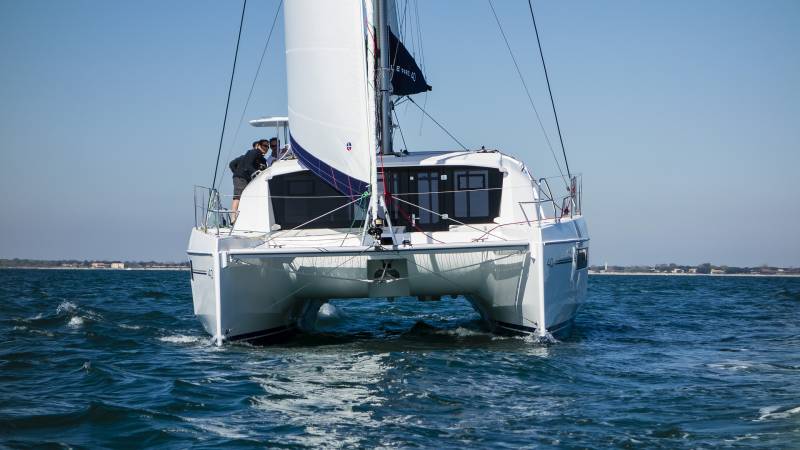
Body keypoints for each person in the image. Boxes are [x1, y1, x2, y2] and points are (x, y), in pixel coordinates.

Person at [229, 139, 269, 221]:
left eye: (268, 147)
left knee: (246, 197)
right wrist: (238, 173)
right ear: (259, 145)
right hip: (241, 178)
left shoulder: (263, 159)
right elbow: (244, 164)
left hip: (249, 179)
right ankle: (233, 218)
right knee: (238, 196)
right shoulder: (253, 152)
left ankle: (243, 217)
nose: (267, 148)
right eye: (265, 146)